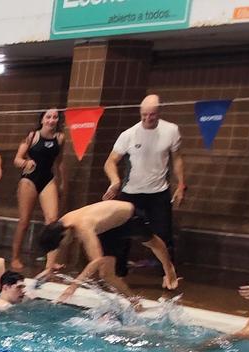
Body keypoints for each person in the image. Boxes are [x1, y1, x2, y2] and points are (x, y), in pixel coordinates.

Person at [103, 94, 185, 286]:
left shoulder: (171, 130)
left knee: (163, 234)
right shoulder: (129, 134)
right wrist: (115, 181)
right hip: (131, 192)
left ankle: (167, 274)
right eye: (144, 115)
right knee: (122, 234)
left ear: (159, 112)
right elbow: (110, 161)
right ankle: (119, 273)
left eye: (152, 115)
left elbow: (178, 159)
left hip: (158, 192)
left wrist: (181, 184)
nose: (148, 119)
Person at [35, 199, 180, 307]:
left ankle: (169, 269)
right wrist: (49, 267)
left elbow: (97, 260)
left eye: (62, 244)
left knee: (152, 242)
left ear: (65, 234)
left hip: (129, 218)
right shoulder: (60, 225)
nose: (63, 247)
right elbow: (54, 246)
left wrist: (74, 286)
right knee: (106, 274)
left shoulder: (83, 227)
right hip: (107, 229)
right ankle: (135, 302)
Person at [10, 109, 67, 270]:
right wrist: (25, 163)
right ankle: (15, 257)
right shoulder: (32, 136)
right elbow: (17, 159)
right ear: (42, 119)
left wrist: (62, 182)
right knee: (24, 221)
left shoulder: (60, 138)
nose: (52, 120)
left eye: (55, 117)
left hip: (48, 179)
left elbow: (60, 162)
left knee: (52, 221)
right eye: (48, 117)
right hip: (29, 179)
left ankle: (50, 262)